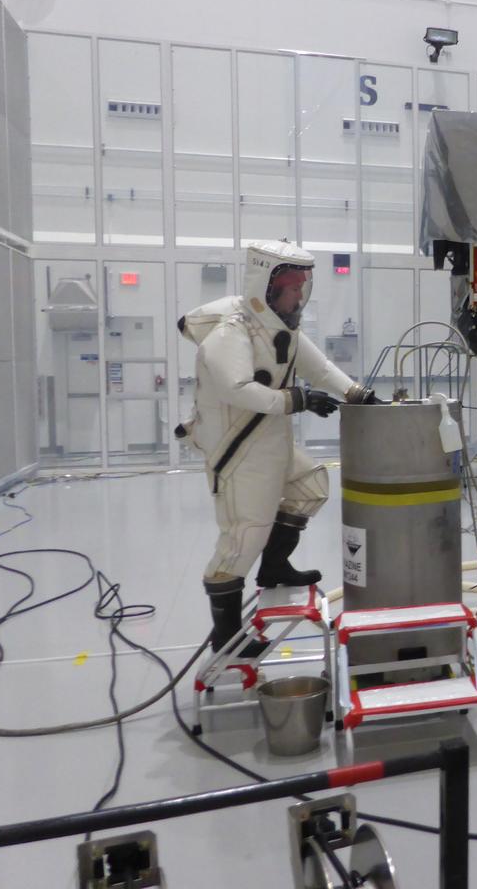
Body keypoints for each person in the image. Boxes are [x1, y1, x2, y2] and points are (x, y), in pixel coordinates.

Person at [177, 240, 380, 654]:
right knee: (243, 537)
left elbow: (319, 368)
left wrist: (359, 395)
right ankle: (228, 640)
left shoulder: (280, 326)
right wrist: (297, 400)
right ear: (266, 289)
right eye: (292, 289)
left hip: (271, 441)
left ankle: (273, 568)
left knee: (310, 487)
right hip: (240, 451)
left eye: (302, 288)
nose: (298, 297)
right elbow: (238, 389)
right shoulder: (231, 332)